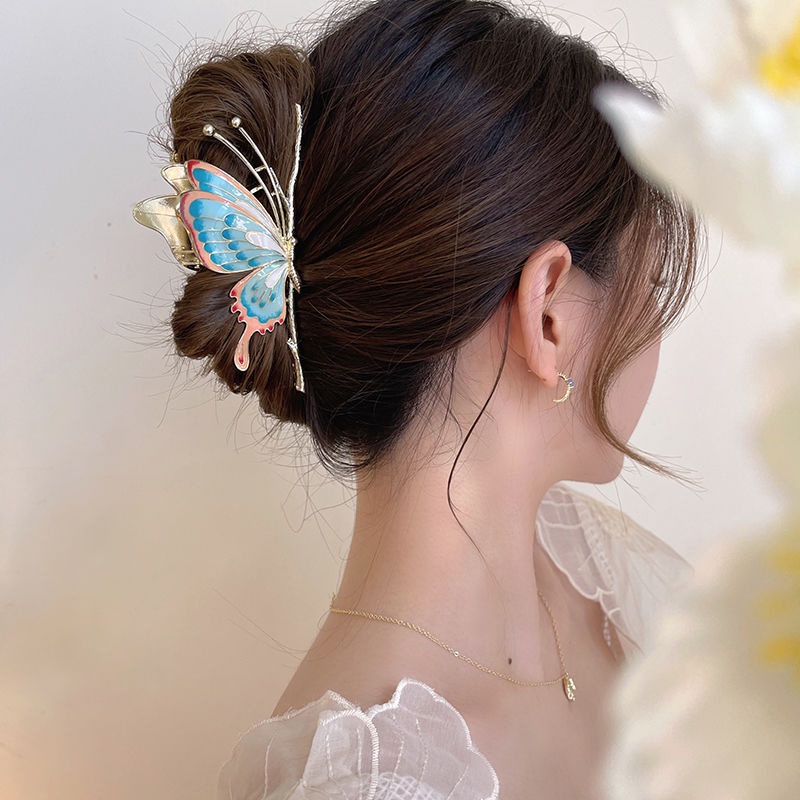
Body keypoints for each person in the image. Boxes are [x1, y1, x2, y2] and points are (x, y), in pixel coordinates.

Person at [133, 0, 701, 797]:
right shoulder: (365, 784)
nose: (657, 333)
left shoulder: (594, 566)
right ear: (548, 312)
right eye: (652, 285)